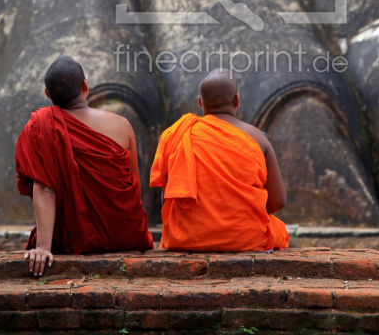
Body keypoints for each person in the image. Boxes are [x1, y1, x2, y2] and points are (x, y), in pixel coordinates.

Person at [15, 56, 153, 277]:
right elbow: (134, 183)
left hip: (71, 237)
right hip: (125, 234)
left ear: (47, 94)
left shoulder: (39, 127)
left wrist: (43, 247)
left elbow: (44, 188)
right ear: (85, 86)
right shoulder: (122, 125)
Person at [150, 67, 289, 251]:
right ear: (237, 100)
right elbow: (278, 202)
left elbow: (167, 196)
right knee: (278, 231)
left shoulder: (175, 135)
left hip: (187, 238)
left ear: (200, 103)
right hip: (243, 236)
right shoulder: (257, 137)